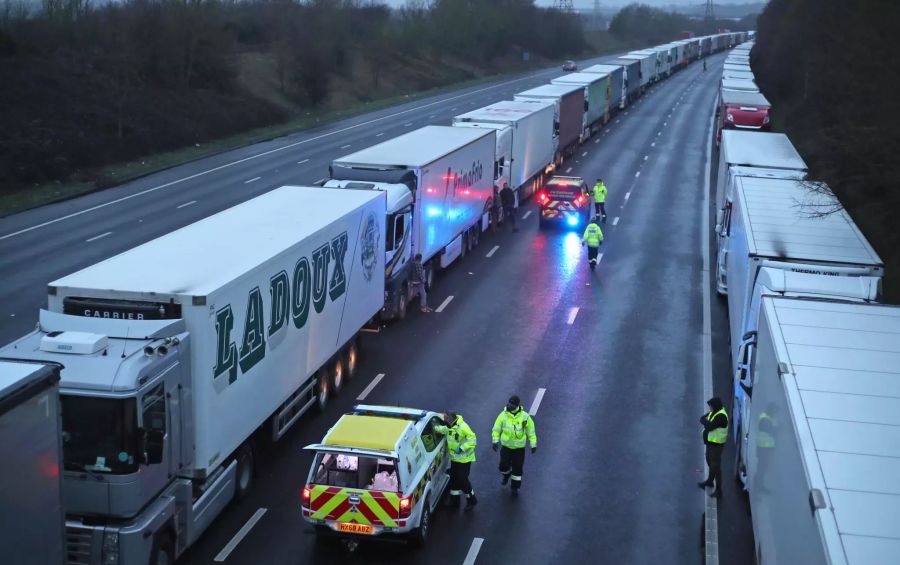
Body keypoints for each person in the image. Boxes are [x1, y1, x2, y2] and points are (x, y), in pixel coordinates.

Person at [491, 395, 537, 495]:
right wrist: (495, 441)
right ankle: (506, 475)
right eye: (509, 403)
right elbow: (496, 429)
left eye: (512, 404)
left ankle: (515, 487)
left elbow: (531, 431)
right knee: (503, 465)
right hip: (506, 447)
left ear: (517, 405)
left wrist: (533, 444)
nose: (510, 405)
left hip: (519, 449)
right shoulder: (503, 415)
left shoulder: (525, 417)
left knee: (517, 468)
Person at [434, 412, 478, 509]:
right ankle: (455, 502)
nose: (444, 421)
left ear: (450, 420)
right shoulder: (450, 427)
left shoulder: (463, 427)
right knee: (454, 479)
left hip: (465, 459)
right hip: (455, 459)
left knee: (463, 480)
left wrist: (461, 448)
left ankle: (472, 500)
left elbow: (472, 439)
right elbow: (443, 429)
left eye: (445, 419)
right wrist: (434, 428)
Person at [698, 397, 729, 499]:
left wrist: (704, 421)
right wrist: (704, 420)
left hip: (716, 445)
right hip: (710, 444)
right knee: (709, 461)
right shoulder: (715, 412)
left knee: (715, 466)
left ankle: (719, 490)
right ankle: (710, 481)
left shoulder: (721, 416)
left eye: (711, 406)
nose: (709, 408)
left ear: (715, 406)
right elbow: (703, 418)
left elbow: (709, 426)